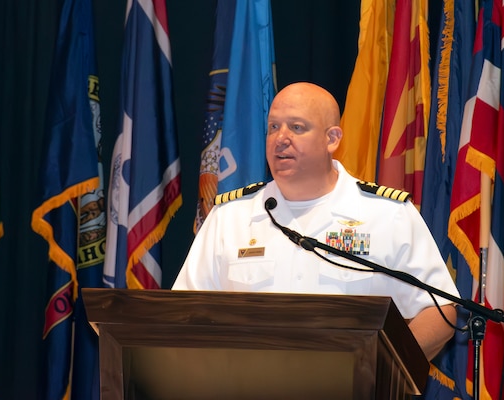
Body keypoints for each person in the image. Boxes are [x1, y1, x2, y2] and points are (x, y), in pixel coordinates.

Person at [172, 82, 459, 361]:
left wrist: (381, 373)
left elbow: (439, 311)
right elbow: (183, 315)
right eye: (273, 127)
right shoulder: (229, 217)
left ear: (332, 139)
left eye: (297, 127)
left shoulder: (386, 214)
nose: (280, 138)